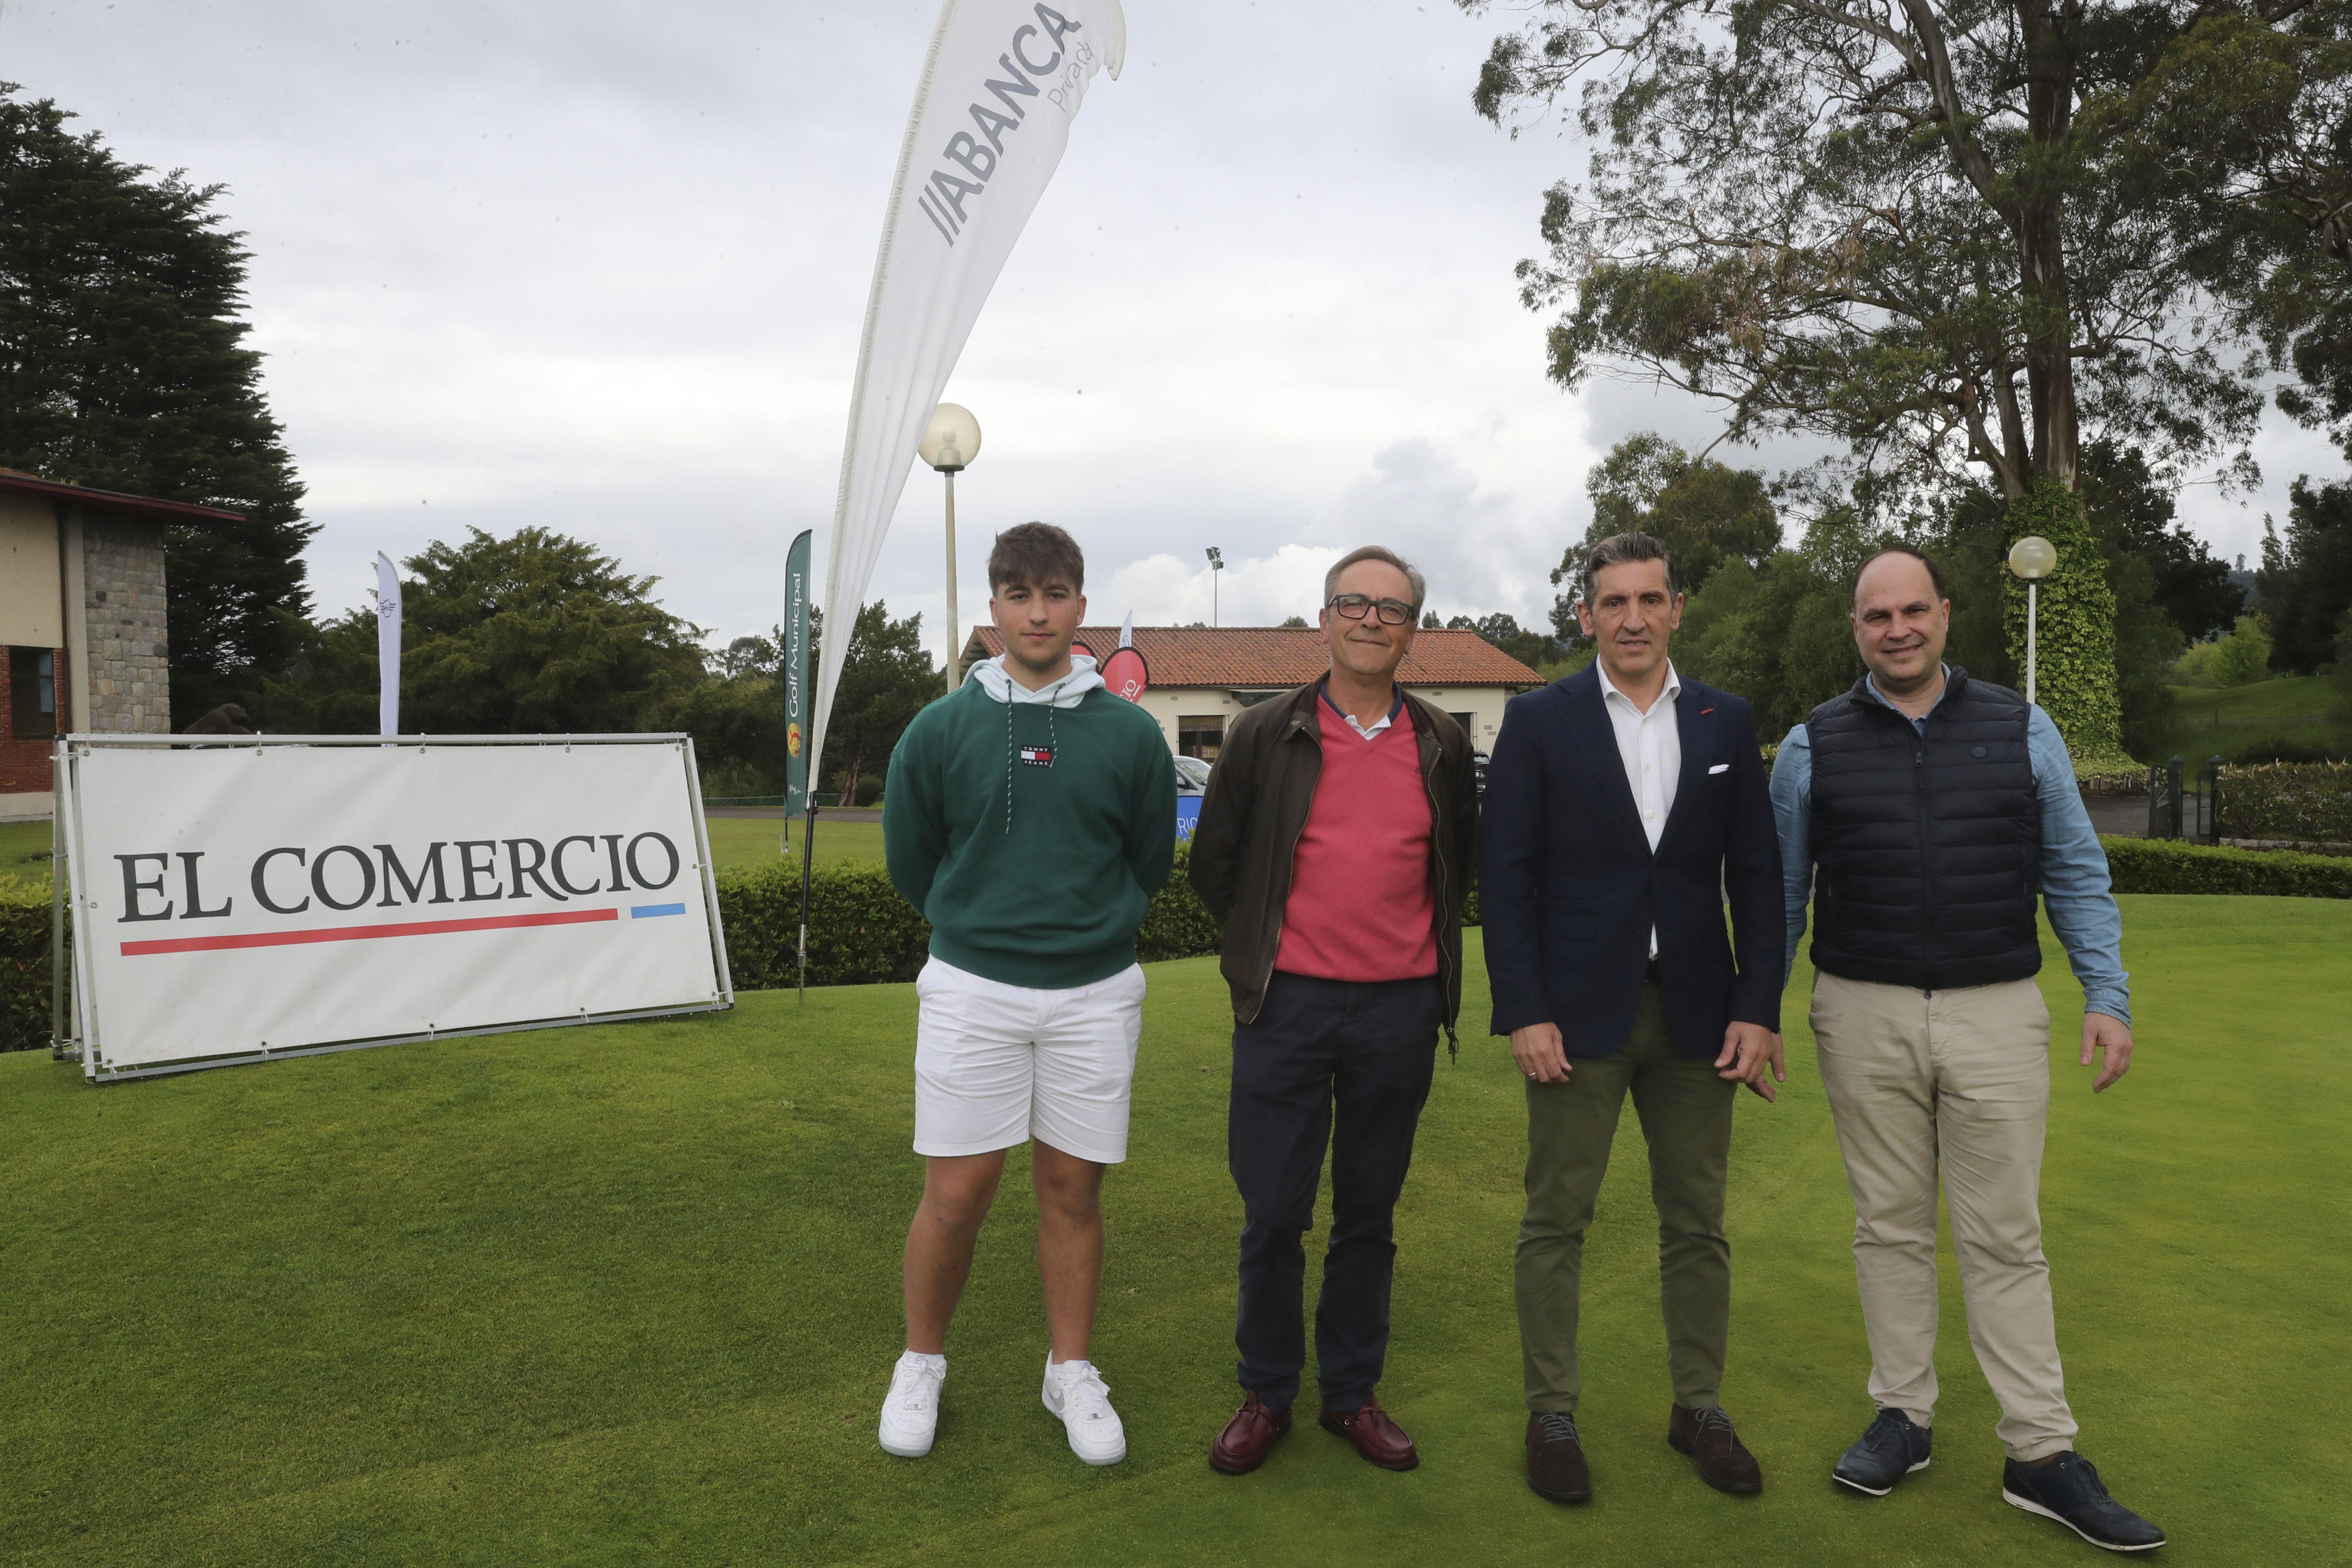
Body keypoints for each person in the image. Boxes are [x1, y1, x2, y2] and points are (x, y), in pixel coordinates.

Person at [1769, 546, 2164, 1552]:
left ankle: (2039, 1452)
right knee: (1888, 1227)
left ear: (1946, 615)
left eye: (1913, 611)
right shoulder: (1810, 744)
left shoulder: (2025, 728)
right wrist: (1755, 1008)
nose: (1896, 629)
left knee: (2005, 1237)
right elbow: (1781, 896)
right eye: (1875, 616)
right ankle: (1904, 1417)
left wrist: (2106, 996)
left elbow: (2075, 871)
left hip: (1998, 1012)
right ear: (1855, 627)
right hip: (1861, 1011)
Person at [1479, 531, 1785, 1505]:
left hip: (1700, 1021)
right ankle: (1552, 1413)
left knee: (1697, 1224)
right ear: (1587, 616)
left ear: (1677, 607)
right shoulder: (1540, 719)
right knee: (1555, 1220)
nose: (1634, 619)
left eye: (1650, 599)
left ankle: (1698, 1407)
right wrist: (1524, 1009)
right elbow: (1507, 876)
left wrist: (1760, 1009)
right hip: (1575, 1020)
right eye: (1614, 603)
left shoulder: (1725, 721)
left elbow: (1761, 881)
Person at [876, 522, 1177, 1467]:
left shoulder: (1129, 733)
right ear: (995, 609)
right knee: (958, 1191)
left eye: (1054, 593)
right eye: (1018, 594)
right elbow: (911, 859)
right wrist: (979, 930)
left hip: (1095, 993)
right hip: (972, 989)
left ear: (1080, 607)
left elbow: (1146, 862)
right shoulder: (940, 727)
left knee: (1071, 1190)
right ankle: (922, 1360)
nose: (1037, 612)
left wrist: (1086, 930)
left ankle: (1071, 1370)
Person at [1186, 545, 1480, 1476]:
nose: (1370, 621)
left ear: (1412, 634)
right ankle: (1267, 1392)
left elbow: (1454, 869)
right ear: (1325, 619)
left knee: (1368, 1212)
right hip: (1287, 1007)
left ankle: (1349, 1395)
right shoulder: (1263, 735)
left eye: (1391, 610)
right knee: (1273, 1211)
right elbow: (1217, 869)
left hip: (1398, 1012)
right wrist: (1275, 953)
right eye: (1353, 604)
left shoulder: (1442, 741)